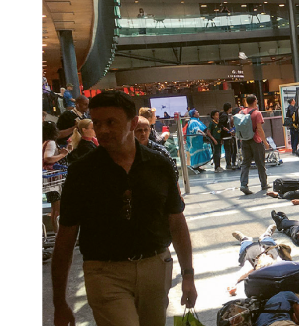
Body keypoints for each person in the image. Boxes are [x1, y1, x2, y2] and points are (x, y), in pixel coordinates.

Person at [51, 90, 196, 326]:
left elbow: (176, 221)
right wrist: (59, 301)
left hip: (155, 267)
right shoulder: (82, 172)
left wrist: (188, 274)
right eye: (97, 123)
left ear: (132, 123)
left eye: (111, 122)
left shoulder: (159, 165)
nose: (103, 129)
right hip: (105, 272)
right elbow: (66, 237)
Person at [237, 94, 268, 195]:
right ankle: (264, 184)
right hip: (256, 140)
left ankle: (243, 184)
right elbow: (259, 128)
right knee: (260, 163)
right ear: (255, 101)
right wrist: (265, 142)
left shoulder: (241, 112)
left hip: (244, 140)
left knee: (245, 163)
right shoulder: (257, 113)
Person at [133, 116, 179, 181]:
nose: (143, 133)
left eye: (145, 130)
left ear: (149, 130)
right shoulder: (129, 152)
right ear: (133, 131)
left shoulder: (160, 151)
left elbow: (173, 173)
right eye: (139, 130)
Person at [43, 121, 68, 234]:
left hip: (49, 180)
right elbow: (47, 158)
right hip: (54, 180)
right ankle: (58, 233)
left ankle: (57, 231)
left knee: (54, 208)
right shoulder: (51, 143)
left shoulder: (44, 142)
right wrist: (62, 155)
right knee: (57, 208)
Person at [220, 102, 238, 170]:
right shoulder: (224, 116)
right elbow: (221, 124)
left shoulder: (226, 115)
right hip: (226, 135)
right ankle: (228, 164)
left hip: (228, 135)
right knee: (228, 150)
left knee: (231, 150)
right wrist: (226, 129)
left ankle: (230, 163)